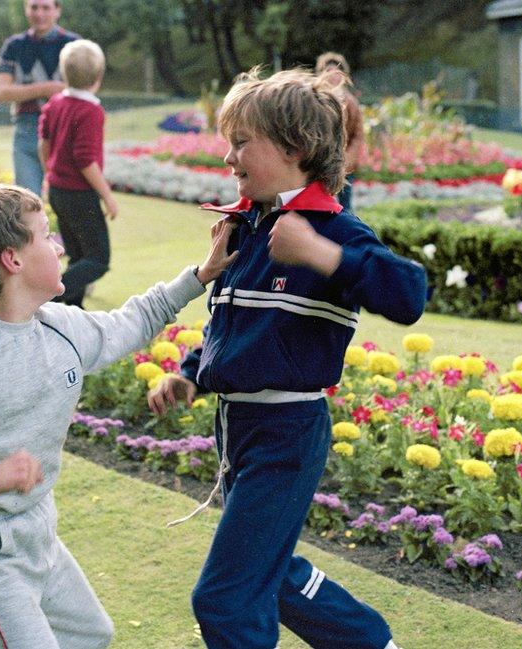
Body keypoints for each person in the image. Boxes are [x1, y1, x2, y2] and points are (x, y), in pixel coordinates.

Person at [0, 183, 236, 648]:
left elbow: (134, 321)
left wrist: (199, 275)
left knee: (87, 634)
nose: (58, 247)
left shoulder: (60, 326)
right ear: (12, 259)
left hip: (36, 529)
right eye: (46, 235)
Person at [148, 68, 426, 649]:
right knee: (269, 573)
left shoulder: (332, 230)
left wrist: (323, 254)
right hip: (241, 431)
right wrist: (193, 374)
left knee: (224, 598)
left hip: (287, 433)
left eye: (242, 141)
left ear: (295, 148)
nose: (229, 157)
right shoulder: (249, 227)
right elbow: (241, 325)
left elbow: (409, 295)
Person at [38, 40, 115, 309]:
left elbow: (43, 144)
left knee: (77, 254)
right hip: (80, 194)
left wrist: (49, 175)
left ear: (63, 72)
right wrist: (108, 196)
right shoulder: (91, 110)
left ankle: (71, 310)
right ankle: (51, 294)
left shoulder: (55, 103)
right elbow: (85, 160)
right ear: (99, 76)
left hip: (59, 190)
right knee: (97, 259)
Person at [0, 0, 78, 196]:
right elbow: (0, 92)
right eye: (34, 7)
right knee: (28, 203)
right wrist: (48, 88)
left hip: (64, 130)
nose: (39, 13)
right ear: (26, 10)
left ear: (58, 10)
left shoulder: (74, 45)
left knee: (66, 201)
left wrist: (22, 91)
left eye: (46, 7)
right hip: (26, 131)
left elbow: (85, 90)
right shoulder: (14, 45)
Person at [316, 52, 365, 212]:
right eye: (328, 71)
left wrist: (348, 160)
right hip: (321, 161)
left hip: (344, 163)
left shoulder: (351, 102)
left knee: (345, 206)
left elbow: (358, 136)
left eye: (337, 72)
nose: (332, 76)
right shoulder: (316, 100)